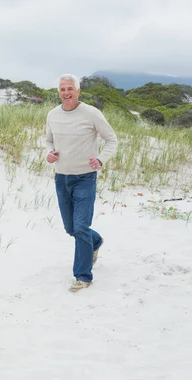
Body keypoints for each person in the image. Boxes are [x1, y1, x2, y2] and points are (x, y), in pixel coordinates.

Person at [45, 74, 118, 292]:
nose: (66, 93)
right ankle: (94, 242)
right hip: (61, 178)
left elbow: (111, 139)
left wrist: (101, 159)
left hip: (85, 177)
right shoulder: (52, 115)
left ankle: (83, 276)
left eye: (70, 89)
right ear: (58, 92)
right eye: (62, 89)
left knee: (80, 226)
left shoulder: (91, 113)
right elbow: (49, 140)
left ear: (78, 91)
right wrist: (49, 153)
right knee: (71, 228)